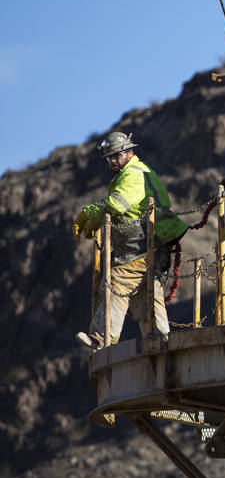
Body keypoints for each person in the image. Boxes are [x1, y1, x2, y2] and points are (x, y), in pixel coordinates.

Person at [73, 132, 189, 349]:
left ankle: (101, 336)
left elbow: (117, 204)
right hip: (152, 242)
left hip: (144, 244)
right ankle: (161, 340)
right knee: (145, 294)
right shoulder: (135, 171)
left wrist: (90, 214)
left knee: (117, 281)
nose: (114, 160)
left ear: (130, 152)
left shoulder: (133, 174)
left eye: (117, 155)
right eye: (110, 157)